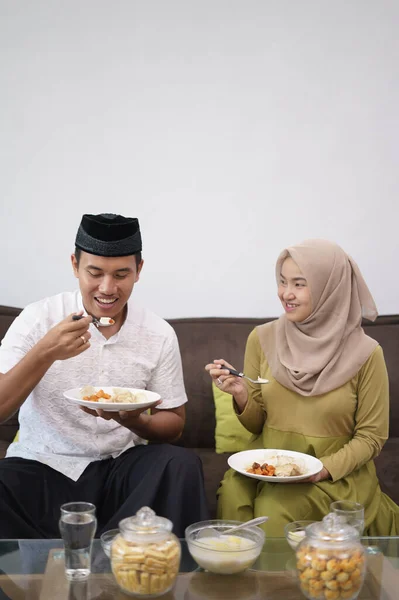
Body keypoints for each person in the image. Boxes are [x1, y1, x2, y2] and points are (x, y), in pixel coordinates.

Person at [0, 213, 209, 538]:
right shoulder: (39, 319)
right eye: (94, 273)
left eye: (121, 274)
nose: (107, 289)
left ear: (139, 270)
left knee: (178, 464)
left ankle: (127, 566)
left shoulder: (158, 333)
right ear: (75, 265)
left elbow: (174, 423)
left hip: (120, 467)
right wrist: (46, 352)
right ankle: (88, 562)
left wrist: (135, 420)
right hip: (43, 465)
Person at [206, 239, 399, 536]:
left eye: (299, 284)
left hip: (334, 474)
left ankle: (276, 583)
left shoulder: (367, 353)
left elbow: (372, 436)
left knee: (274, 506)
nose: (286, 294)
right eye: (282, 282)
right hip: (267, 465)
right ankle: (236, 579)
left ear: (329, 288)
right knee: (232, 493)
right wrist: (242, 394)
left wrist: (321, 469)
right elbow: (257, 425)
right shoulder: (262, 338)